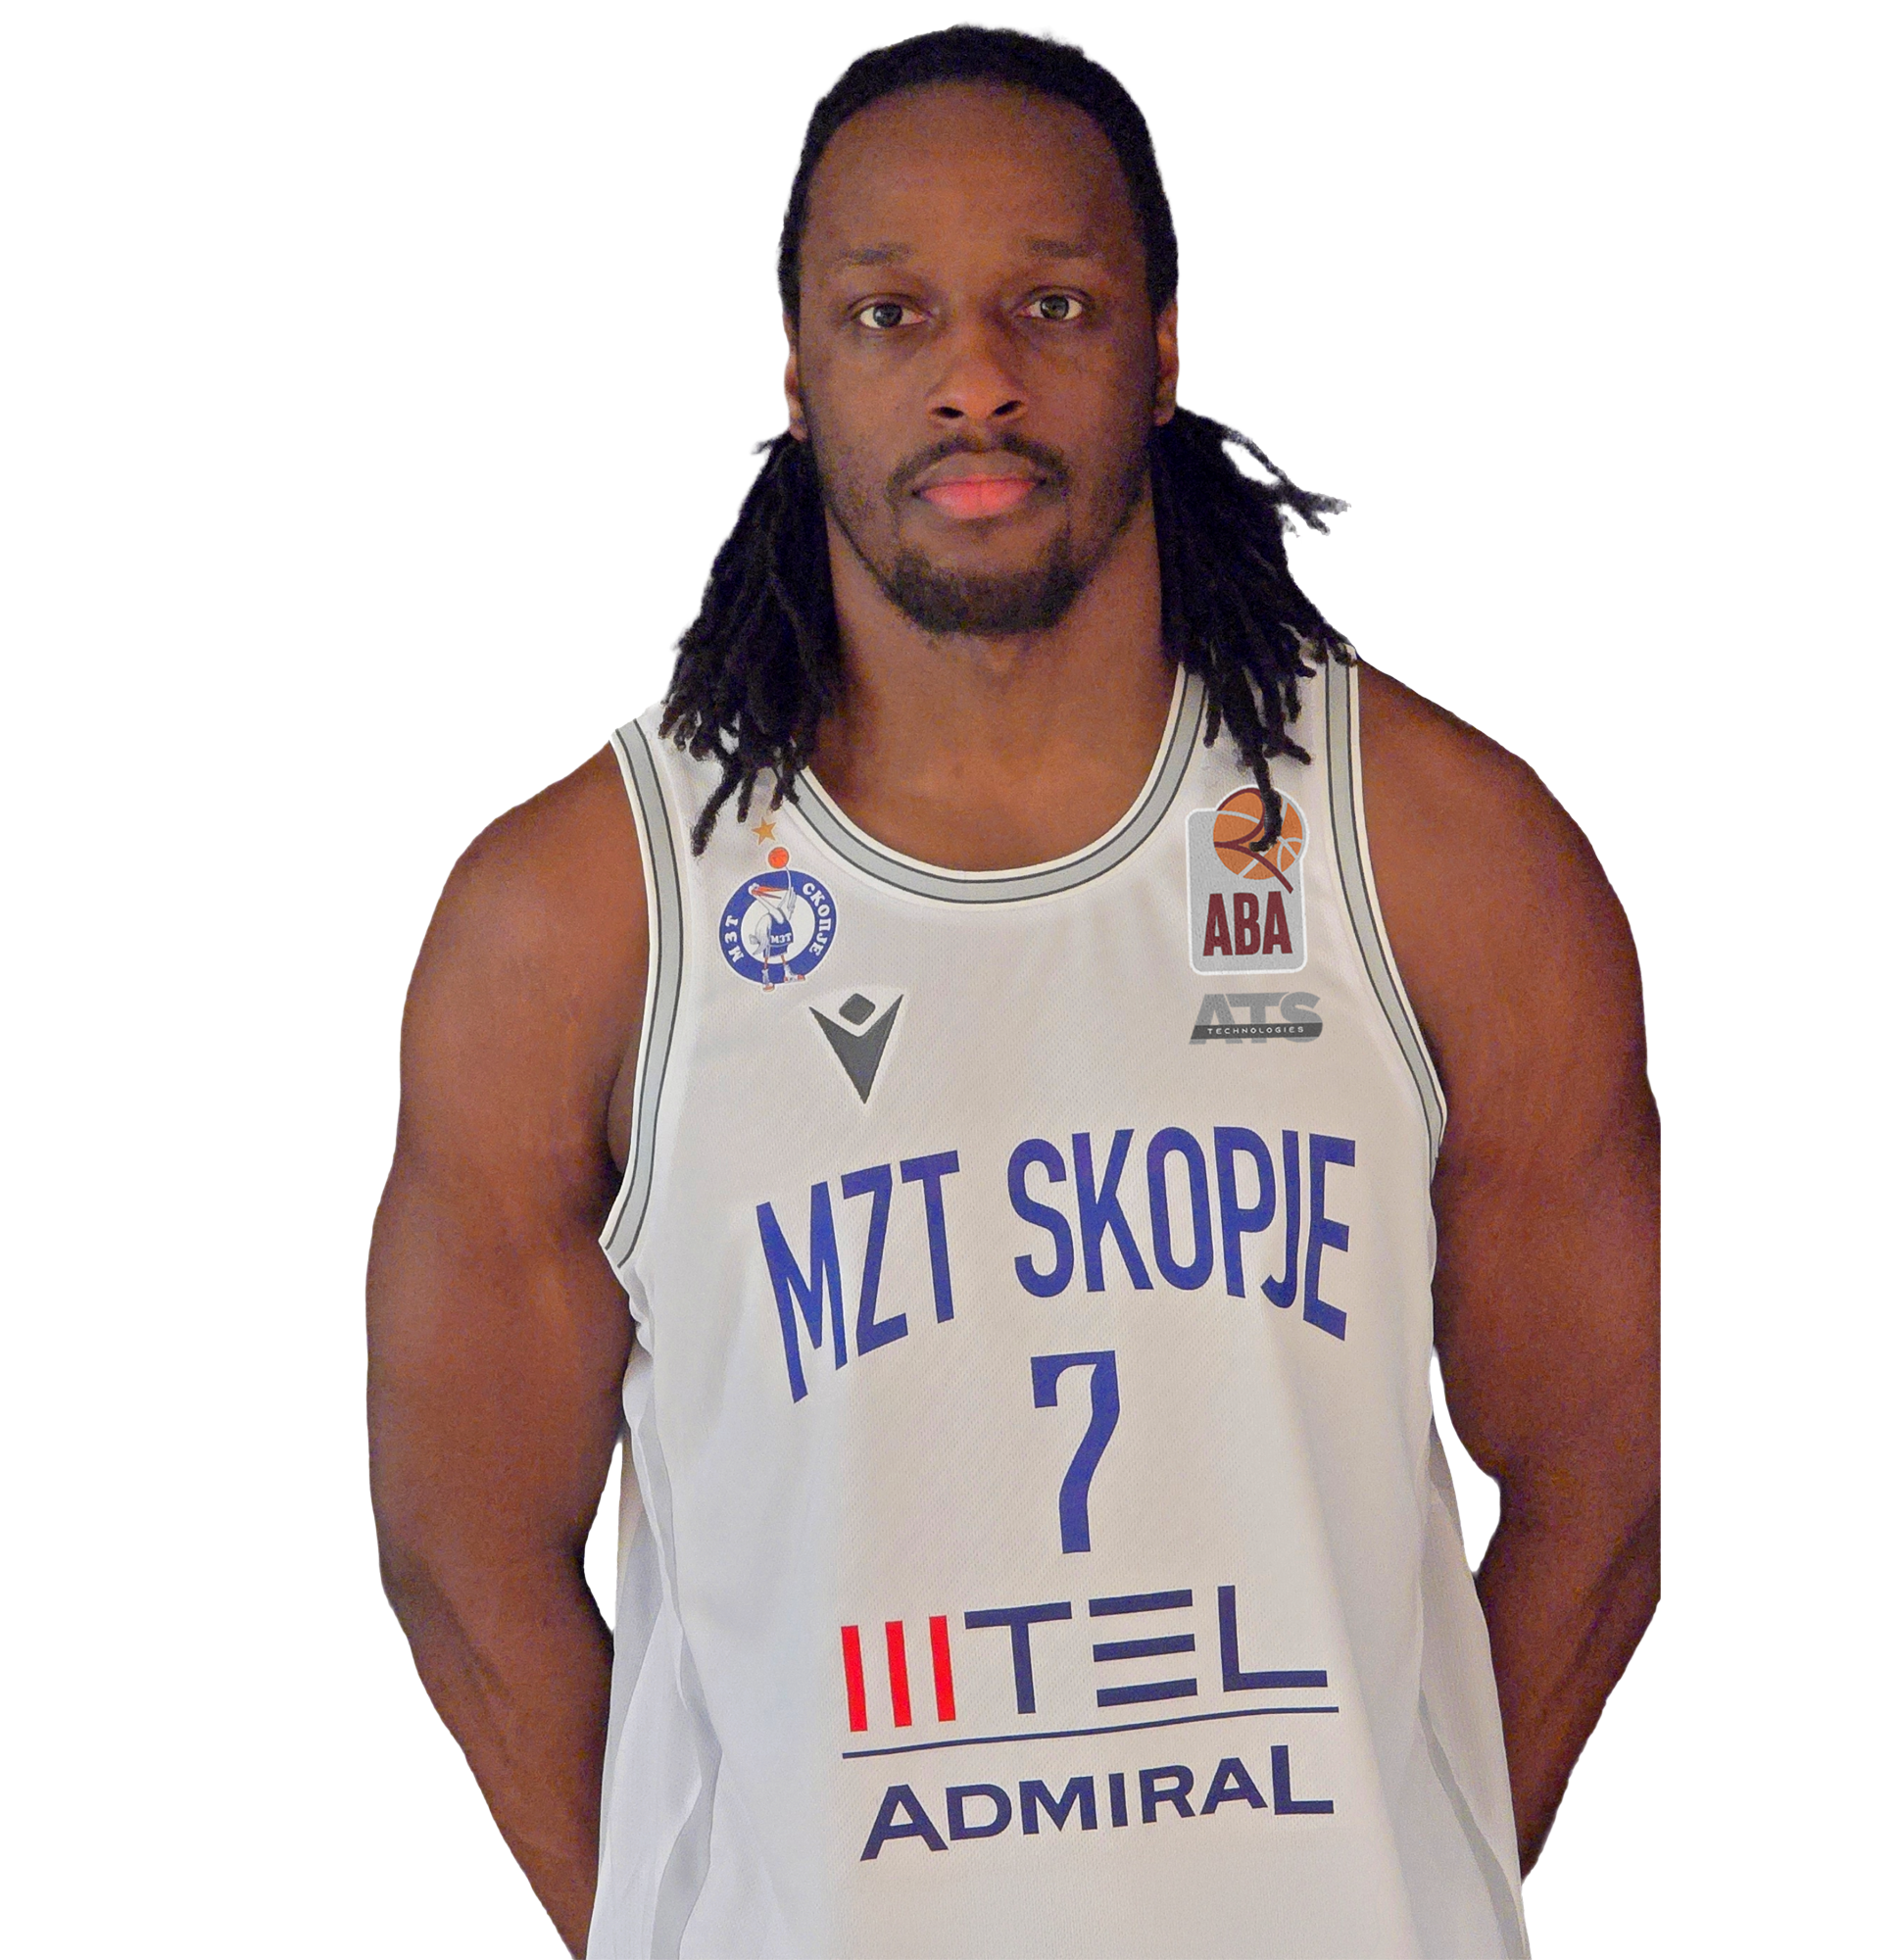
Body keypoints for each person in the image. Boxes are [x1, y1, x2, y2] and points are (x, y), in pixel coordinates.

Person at [366, 24, 1659, 1959]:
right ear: (796, 368)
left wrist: (1390, 1892)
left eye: (1049, 304)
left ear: (1160, 346)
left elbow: (1616, 1487)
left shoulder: (1442, 857)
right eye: (889, 314)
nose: (973, 378)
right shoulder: (574, 921)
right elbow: (463, 1561)